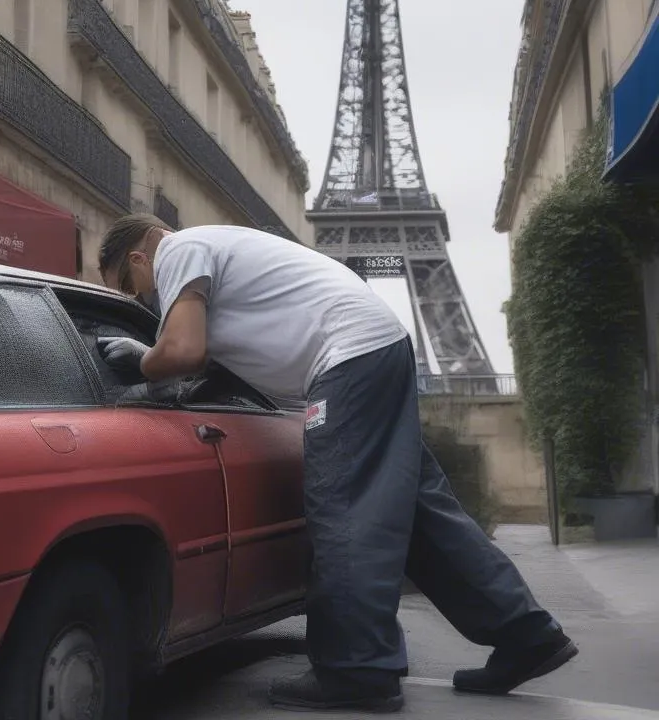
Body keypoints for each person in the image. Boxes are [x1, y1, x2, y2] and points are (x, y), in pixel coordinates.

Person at [96, 215, 577, 714]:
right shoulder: (221, 255)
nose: (143, 302)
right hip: (375, 349)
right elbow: (219, 363)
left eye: (133, 291)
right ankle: (526, 634)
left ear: (139, 257)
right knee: (419, 513)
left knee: (345, 510)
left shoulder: (179, 249)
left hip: (346, 360)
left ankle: (357, 670)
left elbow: (184, 350)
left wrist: (142, 359)